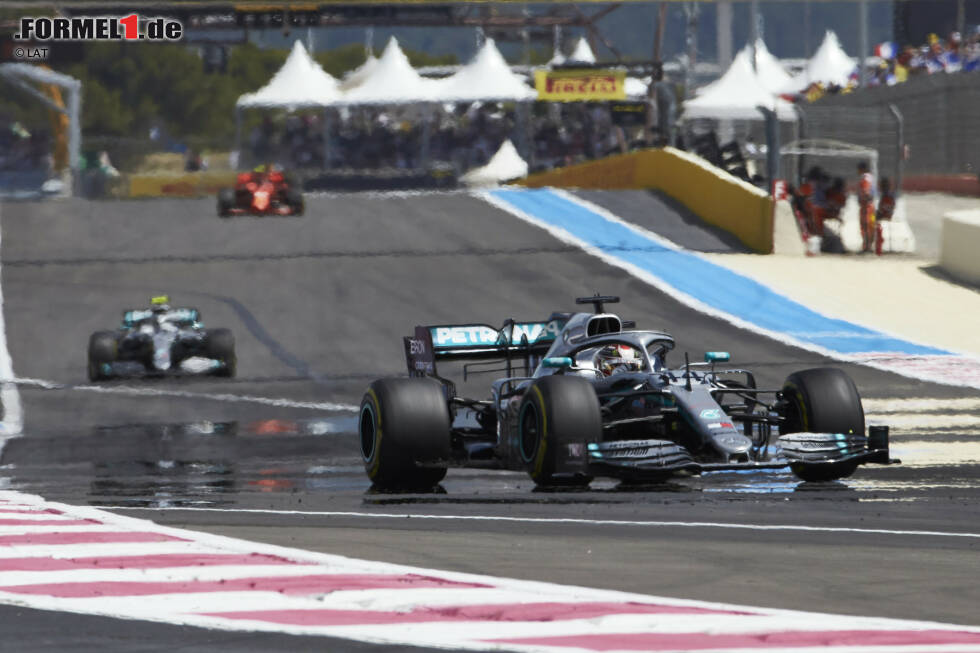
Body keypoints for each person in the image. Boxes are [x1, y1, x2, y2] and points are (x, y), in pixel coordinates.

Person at [856, 161, 876, 252]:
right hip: (870, 205)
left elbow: (865, 191)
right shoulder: (871, 177)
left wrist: (864, 199)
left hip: (866, 206)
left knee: (866, 226)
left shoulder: (865, 178)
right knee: (869, 225)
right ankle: (869, 246)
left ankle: (866, 246)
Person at [875, 177, 896, 256]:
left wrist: (878, 213)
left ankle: (876, 243)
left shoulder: (885, 196)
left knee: (872, 218)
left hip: (884, 216)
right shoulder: (891, 195)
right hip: (888, 215)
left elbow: (882, 209)